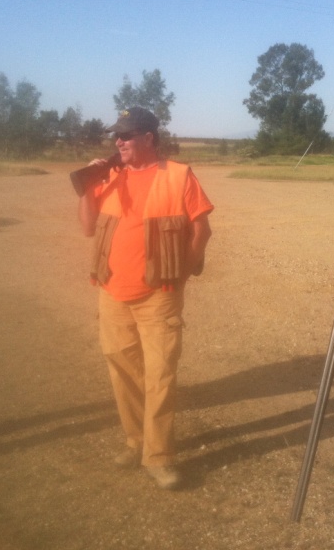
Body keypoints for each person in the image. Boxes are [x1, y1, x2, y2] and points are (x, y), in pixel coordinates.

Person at [77, 107, 213, 490]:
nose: (118, 142)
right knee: (123, 372)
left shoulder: (178, 176)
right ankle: (136, 441)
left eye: (127, 135)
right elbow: (88, 228)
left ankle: (159, 456)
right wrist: (87, 185)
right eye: (116, 136)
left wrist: (181, 276)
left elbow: (201, 231)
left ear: (149, 138)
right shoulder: (110, 177)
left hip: (159, 295)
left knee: (160, 375)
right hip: (112, 292)